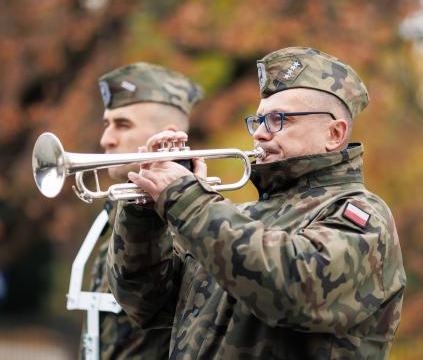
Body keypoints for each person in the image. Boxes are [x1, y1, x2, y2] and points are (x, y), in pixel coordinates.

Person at [108, 47, 406, 359]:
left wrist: (188, 200)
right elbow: (146, 304)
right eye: (259, 120)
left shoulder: (362, 217)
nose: (260, 134)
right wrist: (144, 210)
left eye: (279, 120)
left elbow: (293, 287)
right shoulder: (240, 216)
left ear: (334, 133)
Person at [80, 62, 203, 359]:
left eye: (122, 124)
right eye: (106, 124)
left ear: (166, 135)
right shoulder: (112, 212)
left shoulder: (188, 220)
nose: (105, 139)